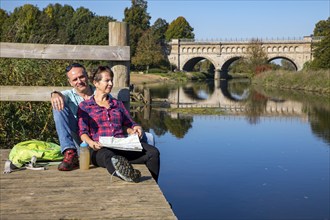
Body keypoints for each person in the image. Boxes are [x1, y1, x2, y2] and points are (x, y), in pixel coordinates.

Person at [77, 66, 160, 182]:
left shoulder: (117, 104)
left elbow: (131, 123)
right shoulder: (85, 107)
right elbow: (83, 132)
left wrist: (136, 128)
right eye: (107, 80)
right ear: (96, 83)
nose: (110, 83)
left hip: (123, 145)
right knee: (110, 157)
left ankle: (154, 185)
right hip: (101, 149)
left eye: (111, 80)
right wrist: (91, 143)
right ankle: (128, 174)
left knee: (153, 153)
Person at [51, 63, 94, 171]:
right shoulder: (68, 95)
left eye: (81, 77)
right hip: (80, 141)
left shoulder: (100, 93)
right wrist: (55, 94)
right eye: (75, 79)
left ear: (87, 76)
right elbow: (59, 95)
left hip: (98, 138)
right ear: (70, 82)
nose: (79, 81)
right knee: (58, 105)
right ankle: (70, 152)